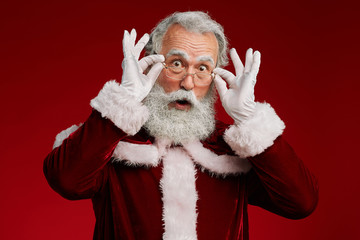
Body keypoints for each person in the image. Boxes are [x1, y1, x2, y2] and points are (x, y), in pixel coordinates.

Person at [44, 11, 318, 240]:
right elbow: (66, 180)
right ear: (149, 67)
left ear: (215, 78)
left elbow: (300, 203)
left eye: (202, 69)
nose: (188, 83)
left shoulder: (231, 148)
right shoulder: (110, 140)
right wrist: (121, 103)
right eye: (176, 63)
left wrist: (249, 120)